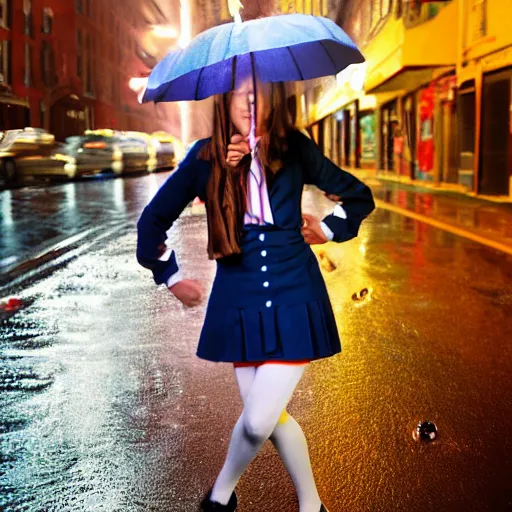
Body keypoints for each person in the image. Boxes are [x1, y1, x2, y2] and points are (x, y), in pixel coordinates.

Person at [136, 76, 375, 512]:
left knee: (259, 420)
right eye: (239, 93)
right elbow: (151, 222)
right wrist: (171, 277)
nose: (249, 101)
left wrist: (325, 228)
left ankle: (219, 498)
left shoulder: (294, 149)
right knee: (269, 418)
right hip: (239, 300)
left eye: (258, 92)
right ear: (224, 102)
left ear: (273, 100)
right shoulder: (205, 158)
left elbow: (358, 197)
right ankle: (311, 505)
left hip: (294, 293)